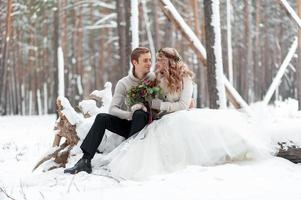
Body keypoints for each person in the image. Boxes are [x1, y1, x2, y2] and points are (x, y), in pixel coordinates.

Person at [100, 48, 262, 180]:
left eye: (160, 60)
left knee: (204, 131)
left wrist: (159, 104)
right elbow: (151, 98)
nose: (156, 63)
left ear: (169, 61)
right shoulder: (157, 77)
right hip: (162, 119)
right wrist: (144, 101)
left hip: (181, 115)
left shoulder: (185, 78)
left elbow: (184, 105)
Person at [64, 47, 153, 174]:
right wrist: (129, 114)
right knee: (102, 118)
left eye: (150, 60)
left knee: (140, 114)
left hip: (148, 126)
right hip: (130, 125)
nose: (149, 63)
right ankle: (85, 160)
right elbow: (113, 109)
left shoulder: (153, 79)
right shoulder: (124, 83)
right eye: (145, 60)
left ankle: (129, 155)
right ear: (135, 62)